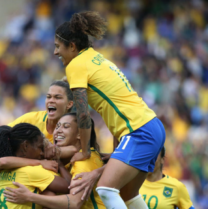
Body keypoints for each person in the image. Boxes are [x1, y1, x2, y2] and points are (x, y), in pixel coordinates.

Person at [54, 11, 165, 209]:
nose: (55, 52)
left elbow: (82, 113)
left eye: (57, 47)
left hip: (138, 130)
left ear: (72, 46)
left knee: (105, 189)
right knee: (128, 195)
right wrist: (117, 152)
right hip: (151, 126)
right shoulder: (95, 57)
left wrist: (86, 151)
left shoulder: (75, 66)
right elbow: (113, 105)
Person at [3, 113, 105, 209]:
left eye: (65, 126)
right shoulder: (62, 160)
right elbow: (2, 162)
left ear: (80, 134)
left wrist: (29, 196)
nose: (58, 131)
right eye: (57, 126)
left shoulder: (85, 160)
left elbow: (75, 202)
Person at [0, 123, 70, 209]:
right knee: (49, 195)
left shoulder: (1, 171)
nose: (42, 153)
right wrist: (59, 162)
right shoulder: (32, 171)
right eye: (40, 147)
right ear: (25, 146)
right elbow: (69, 186)